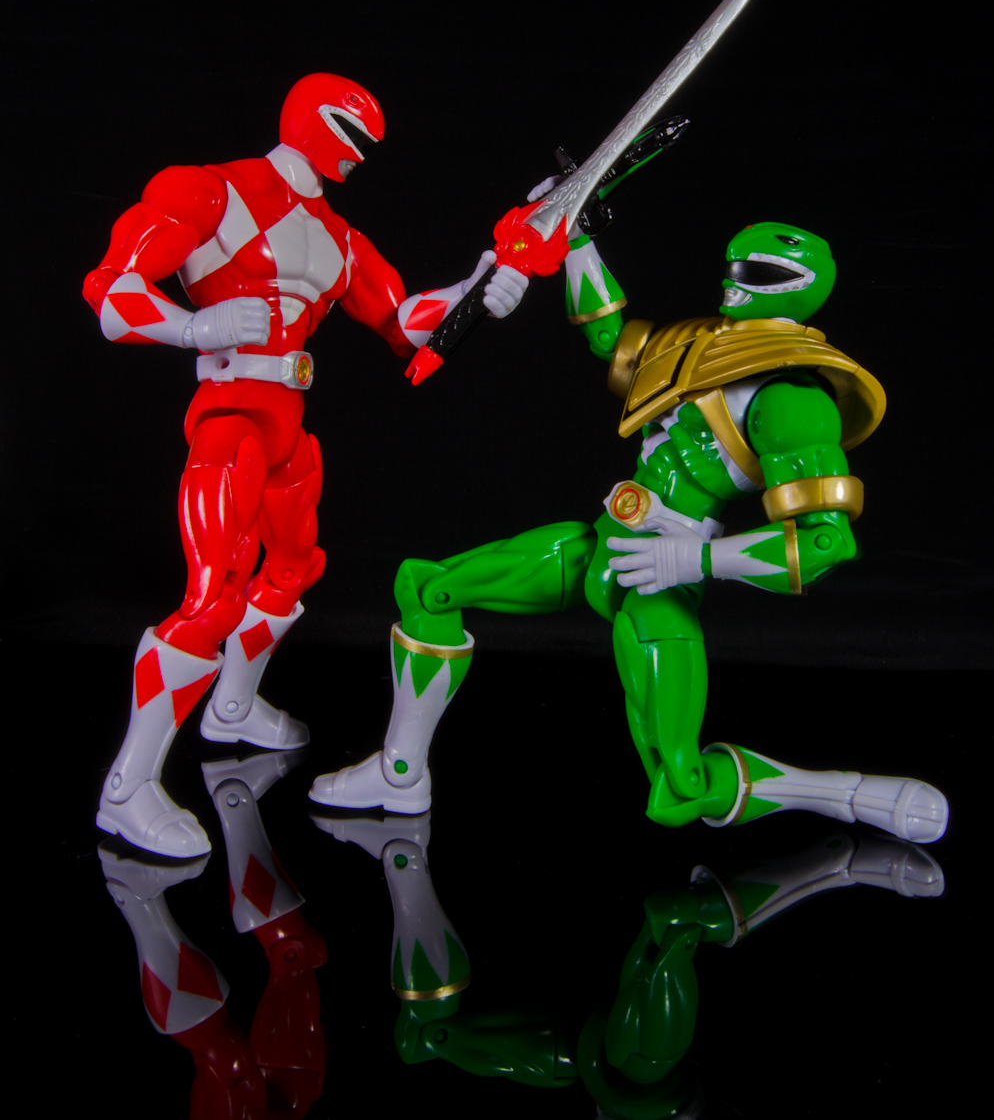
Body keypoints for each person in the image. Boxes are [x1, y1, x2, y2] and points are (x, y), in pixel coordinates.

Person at [310, 220, 949, 844]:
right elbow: (610, 338)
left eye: (756, 272)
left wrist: (694, 560)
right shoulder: (699, 343)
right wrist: (576, 238)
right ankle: (400, 774)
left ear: (799, 285)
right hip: (605, 544)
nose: (735, 280)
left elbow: (824, 543)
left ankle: (839, 794)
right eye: (734, 264)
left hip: (661, 584)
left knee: (682, 786)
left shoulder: (795, 400)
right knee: (428, 589)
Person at [84, 72, 528, 857]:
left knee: (291, 570)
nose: (358, 153)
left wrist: (479, 284)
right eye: (349, 132)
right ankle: (129, 787)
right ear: (308, 117)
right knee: (213, 600)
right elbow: (112, 294)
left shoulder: (340, 240)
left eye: (368, 143)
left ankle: (232, 710)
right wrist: (193, 327)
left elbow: (404, 323)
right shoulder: (211, 191)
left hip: (288, 423)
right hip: (230, 418)